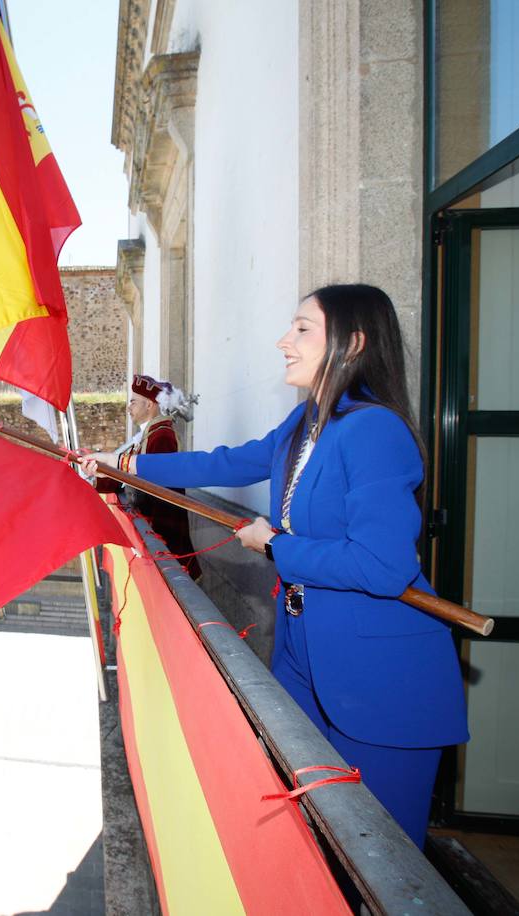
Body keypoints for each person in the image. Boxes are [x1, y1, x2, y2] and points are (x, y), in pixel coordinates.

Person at [84, 284, 467, 848]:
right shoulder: (305, 422)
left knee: (383, 855)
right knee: (314, 842)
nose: (284, 341)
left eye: (303, 329)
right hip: (302, 653)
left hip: (380, 681)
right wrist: (123, 463)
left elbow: (383, 566)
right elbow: (230, 463)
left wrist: (275, 546)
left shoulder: (375, 430)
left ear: (353, 343)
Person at [97, 374, 201, 580]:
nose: (129, 408)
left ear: (149, 405)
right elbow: (126, 473)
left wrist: (152, 532)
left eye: (133, 402)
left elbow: (155, 486)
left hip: (163, 528)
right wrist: (97, 476)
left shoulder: (162, 436)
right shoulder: (150, 434)